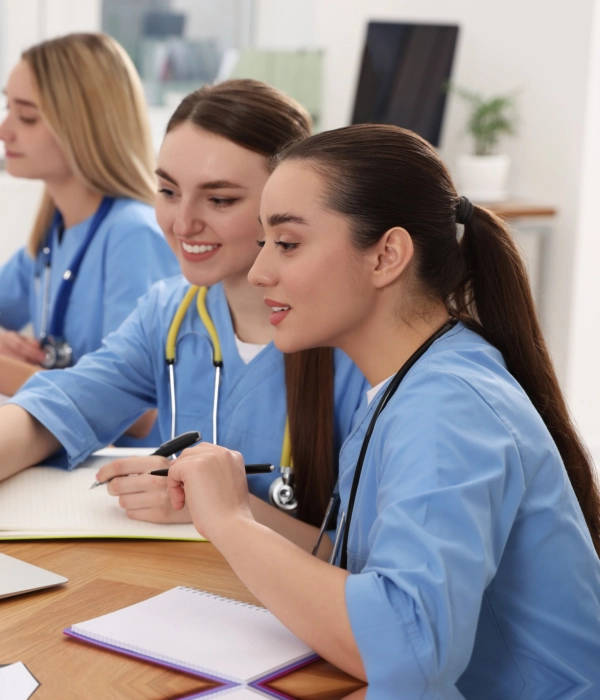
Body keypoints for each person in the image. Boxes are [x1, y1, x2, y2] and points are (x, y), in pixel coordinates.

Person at [163, 124, 600, 698]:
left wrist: (231, 522)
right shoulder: (410, 382)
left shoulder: (447, 408)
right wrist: (230, 506)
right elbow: (365, 583)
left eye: (287, 244)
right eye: (264, 243)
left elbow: (406, 649)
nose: (258, 271)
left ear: (387, 255)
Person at [0, 80, 366, 538]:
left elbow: (368, 568)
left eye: (220, 199)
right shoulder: (170, 313)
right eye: (169, 191)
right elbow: (57, 409)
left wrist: (220, 509)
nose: (182, 222)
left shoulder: (358, 340)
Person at [0, 33, 178, 431]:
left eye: (26, 116)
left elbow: (140, 413)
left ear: (84, 127)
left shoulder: (133, 235)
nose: (4, 130)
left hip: (118, 472)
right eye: (8, 107)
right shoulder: (52, 233)